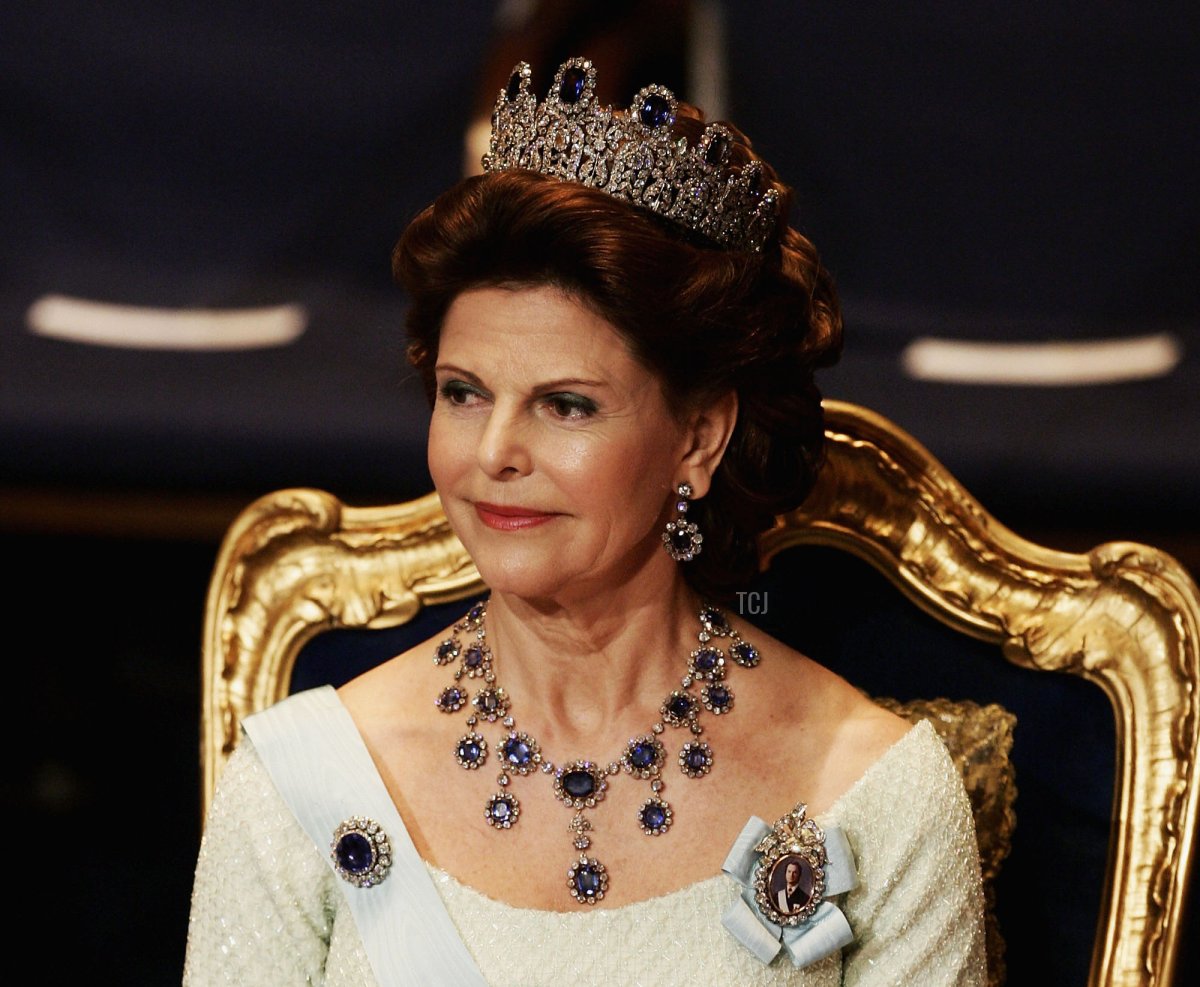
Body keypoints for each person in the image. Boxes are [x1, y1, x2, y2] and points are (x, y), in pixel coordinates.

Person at [184, 56, 986, 985]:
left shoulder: (875, 792)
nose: (495, 454)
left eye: (566, 405)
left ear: (698, 435)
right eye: (463, 393)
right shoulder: (303, 784)